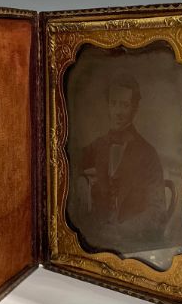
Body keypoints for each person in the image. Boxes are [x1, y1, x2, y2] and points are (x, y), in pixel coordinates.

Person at [71, 72, 167, 253]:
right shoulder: (100, 145)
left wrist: (120, 230)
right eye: (113, 103)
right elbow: (67, 162)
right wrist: (81, 181)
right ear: (107, 105)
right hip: (93, 243)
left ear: (134, 108)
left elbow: (157, 212)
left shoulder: (148, 154)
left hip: (130, 245)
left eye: (124, 105)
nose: (118, 112)